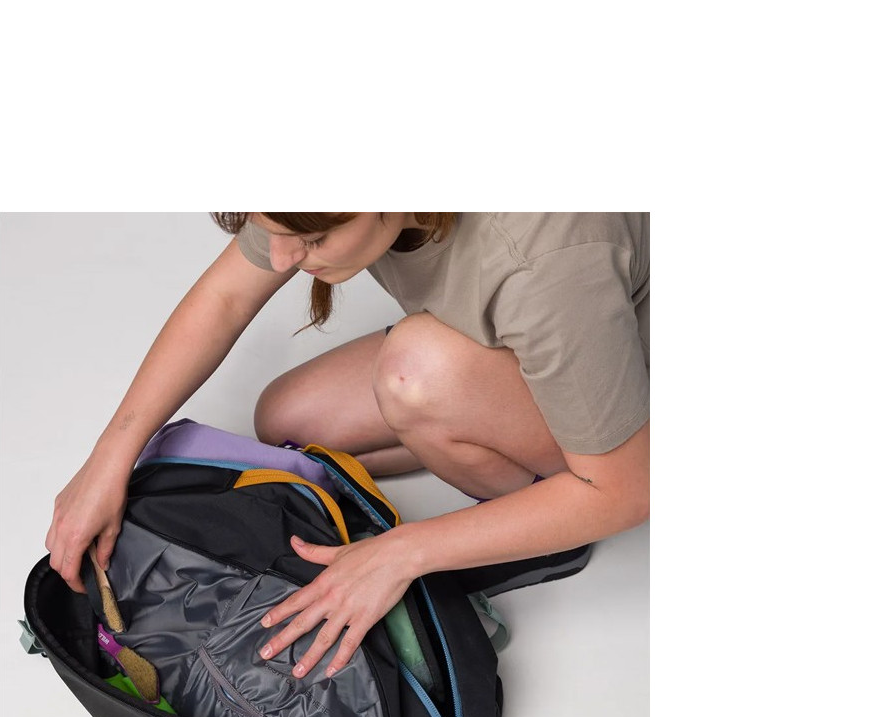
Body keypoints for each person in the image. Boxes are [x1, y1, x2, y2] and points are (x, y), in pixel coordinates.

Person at [45, 212, 649, 683]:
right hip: (534, 342)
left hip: (625, 404)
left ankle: (550, 523)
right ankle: (461, 422)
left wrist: (401, 553)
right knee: (288, 419)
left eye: (312, 240)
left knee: (416, 373)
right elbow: (225, 297)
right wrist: (109, 459)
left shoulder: (541, 256)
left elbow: (628, 489)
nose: (282, 258)